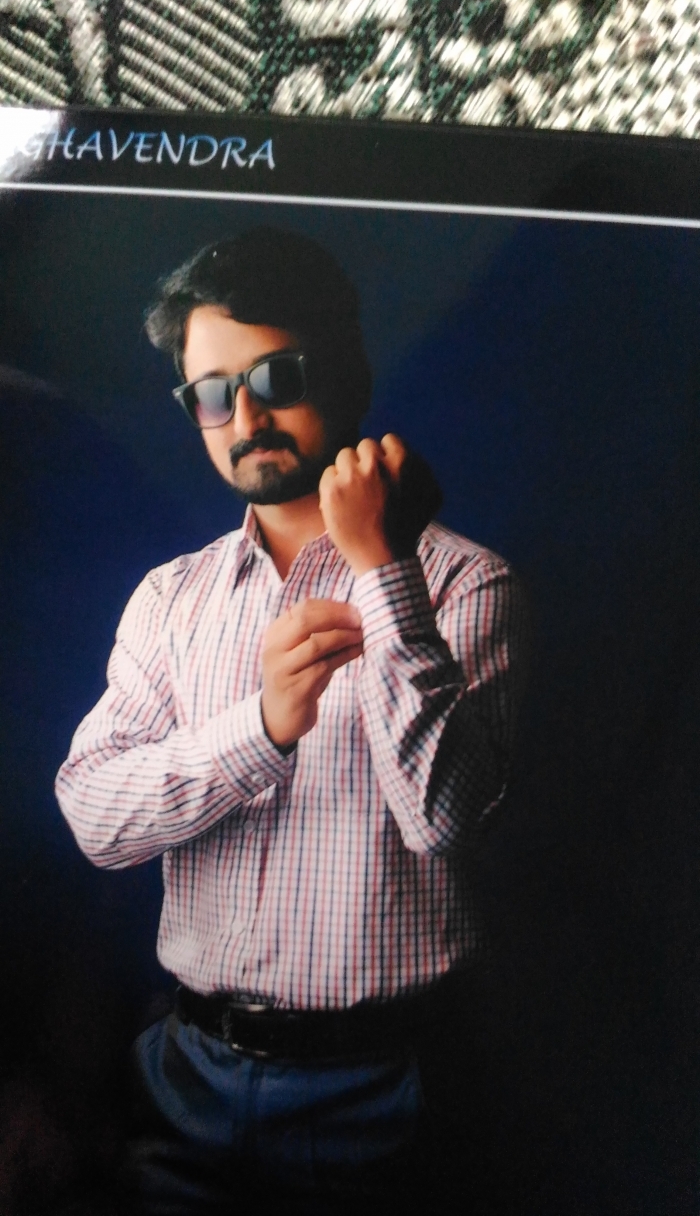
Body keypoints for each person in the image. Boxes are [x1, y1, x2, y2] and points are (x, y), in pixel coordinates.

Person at [55, 226, 524, 1215]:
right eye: (211, 393)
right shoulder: (170, 599)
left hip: (388, 1093)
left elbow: (447, 818)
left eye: (275, 375)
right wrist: (260, 728)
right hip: (181, 1078)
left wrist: (383, 569)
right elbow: (94, 818)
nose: (245, 416)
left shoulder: (464, 581)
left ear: (345, 371)